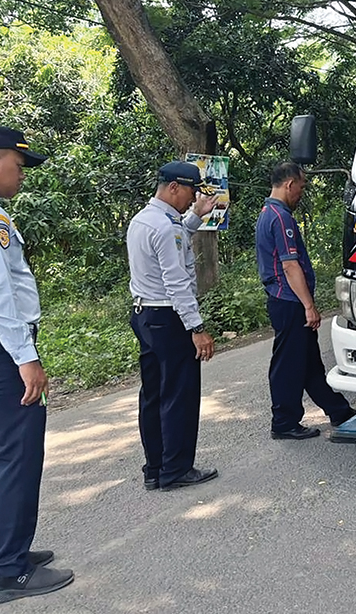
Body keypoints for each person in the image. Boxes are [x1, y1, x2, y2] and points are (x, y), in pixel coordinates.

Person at [0, 126, 74, 604]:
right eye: (18, 165)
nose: (22, 176)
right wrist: (26, 358)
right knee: (15, 454)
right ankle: (9, 571)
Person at [127, 161, 218, 491]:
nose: (193, 199)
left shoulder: (144, 220)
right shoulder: (165, 227)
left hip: (145, 315)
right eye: (191, 192)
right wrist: (197, 328)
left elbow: (174, 242)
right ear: (174, 187)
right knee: (179, 394)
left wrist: (196, 217)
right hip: (169, 318)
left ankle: (155, 467)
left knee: (153, 394)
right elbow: (176, 282)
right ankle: (176, 468)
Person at [255, 162, 356, 439]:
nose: (301, 194)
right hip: (289, 300)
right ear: (289, 184)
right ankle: (284, 422)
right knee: (289, 365)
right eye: (301, 187)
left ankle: (338, 410)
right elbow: (290, 266)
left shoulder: (267, 213)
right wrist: (309, 306)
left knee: (309, 361)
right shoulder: (281, 218)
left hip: (284, 298)